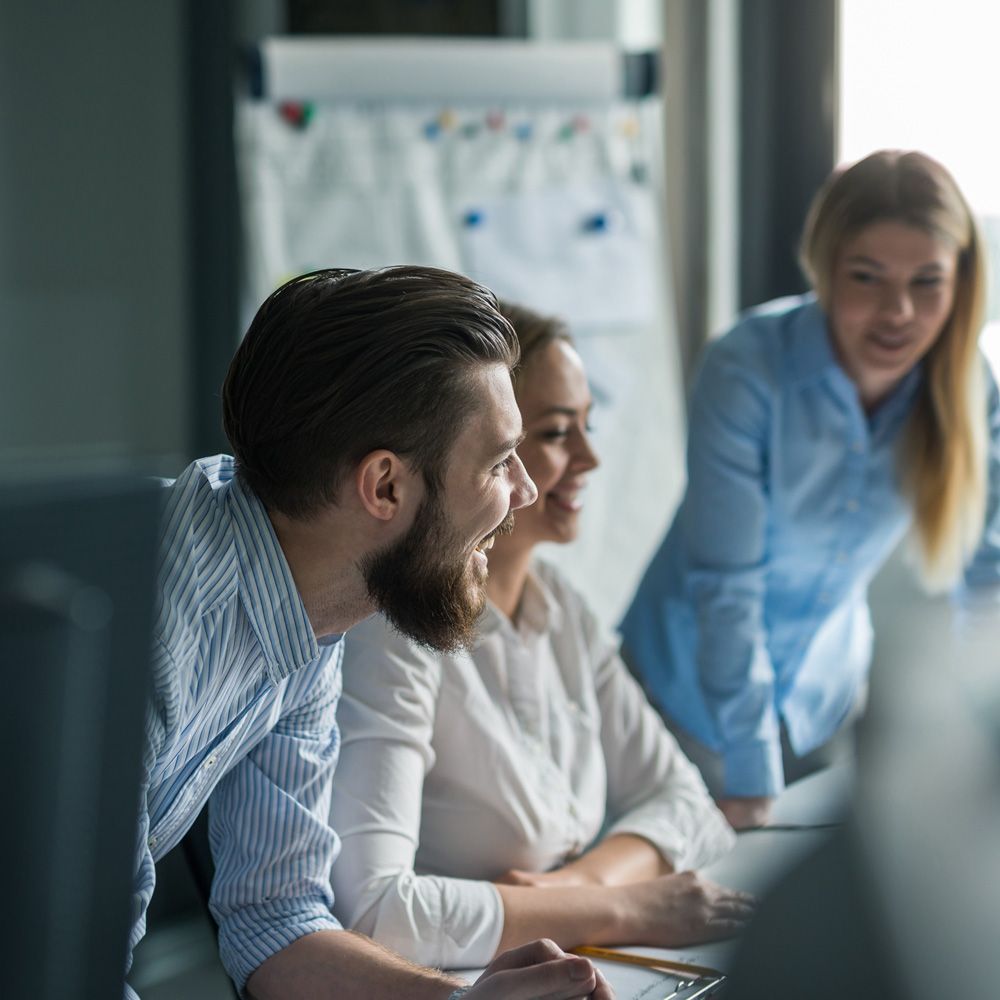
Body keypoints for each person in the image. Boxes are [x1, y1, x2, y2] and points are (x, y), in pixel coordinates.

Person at [130, 267, 615, 1000]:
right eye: (497, 462)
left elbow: (277, 919)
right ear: (385, 485)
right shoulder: (154, 623)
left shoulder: (311, 610)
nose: (524, 491)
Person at [328, 300, 751, 970]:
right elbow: (376, 917)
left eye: (587, 425)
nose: (589, 457)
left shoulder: (560, 607)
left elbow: (687, 804)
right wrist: (623, 908)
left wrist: (574, 888)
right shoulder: (394, 629)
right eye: (555, 433)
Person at [620, 149, 1000, 829]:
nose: (898, 312)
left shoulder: (969, 383)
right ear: (824, 266)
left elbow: (987, 574)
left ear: (962, 281)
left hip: (823, 701)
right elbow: (728, 586)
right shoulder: (746, 367)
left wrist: (980, 733)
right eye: (867, 277)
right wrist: (750, 771)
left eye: (928, 282)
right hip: (685, 698)